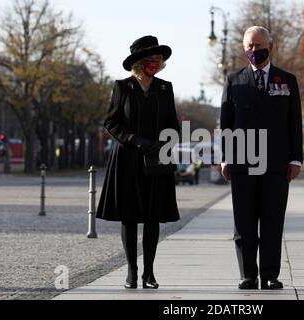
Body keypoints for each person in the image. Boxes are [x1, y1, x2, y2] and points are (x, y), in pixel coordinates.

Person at [220, 26, 303, 290]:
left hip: (276, 164)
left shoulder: (287, 81)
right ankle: (248, 274)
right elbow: (226, 125)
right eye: (249, 46)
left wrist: (295, 159)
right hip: (243, 163)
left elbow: (295, 123)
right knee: (244, 222)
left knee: (272, 221)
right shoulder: (234, 81)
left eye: (257, 45)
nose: (253, 51)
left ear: (271, 46)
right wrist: (225, 158)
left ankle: (269, 275)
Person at [96, 35, 181, 289]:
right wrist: (135, 140)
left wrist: (165, 143)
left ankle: (149, 273)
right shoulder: (122, 87)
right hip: (128, 159)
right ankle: (132, 272)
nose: (154, 63)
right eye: (149, 59)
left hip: (156, 160)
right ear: (139, 63)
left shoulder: (165, 88)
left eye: (158, 59)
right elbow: (111, 122)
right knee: (130, 216)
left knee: (153, 217)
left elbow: (173, 124)